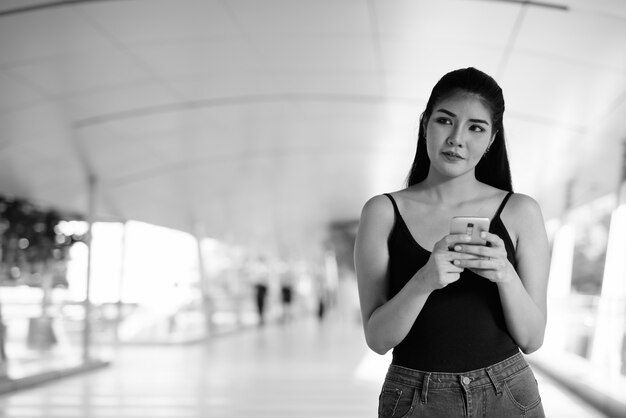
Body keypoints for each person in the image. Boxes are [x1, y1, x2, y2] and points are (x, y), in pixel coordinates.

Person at [354, 67, 549, 417]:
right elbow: (378, 340)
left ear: (491, 139)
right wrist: (425, 280)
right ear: (425, 123)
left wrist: (505, 273)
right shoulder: (383, 212)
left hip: (507, 392)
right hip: (415, 397)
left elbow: (532, 340)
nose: (457, 138)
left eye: (476, 127)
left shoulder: (520, 211)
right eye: (445, 121)